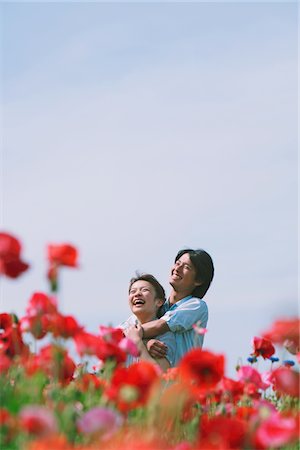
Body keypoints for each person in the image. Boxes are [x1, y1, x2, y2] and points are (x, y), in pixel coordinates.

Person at [141, 249, 214, 366]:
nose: (177, 268)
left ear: (198, 280)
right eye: (177, 263)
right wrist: (147, 342)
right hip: (159, 380)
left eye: (186, 267)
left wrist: (127, 334)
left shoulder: (196, 306)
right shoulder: (158, 306)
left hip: (183, 381)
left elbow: (161, 326)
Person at [119, 273, 176, 372]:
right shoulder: (122, 329)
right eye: (133, 291)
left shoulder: (165, 337)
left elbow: (161, 376)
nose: (137, 294)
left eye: (144, 290)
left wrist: (137, 342)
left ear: (159, 302)